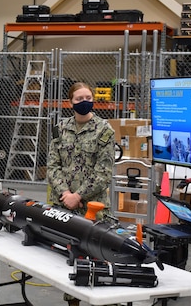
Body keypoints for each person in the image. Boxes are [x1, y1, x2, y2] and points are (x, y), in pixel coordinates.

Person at [47, 82, 116, 306]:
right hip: (65, 205)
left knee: (100, 258)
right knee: (72, 258)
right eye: (79, 98)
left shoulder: (104, 130)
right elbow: (53, 166)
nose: (84, 101)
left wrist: (78, 195)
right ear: (71, 103)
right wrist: (65, 193)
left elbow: (103, 173)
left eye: (88, 97)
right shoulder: (60, 128)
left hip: (94, 208)